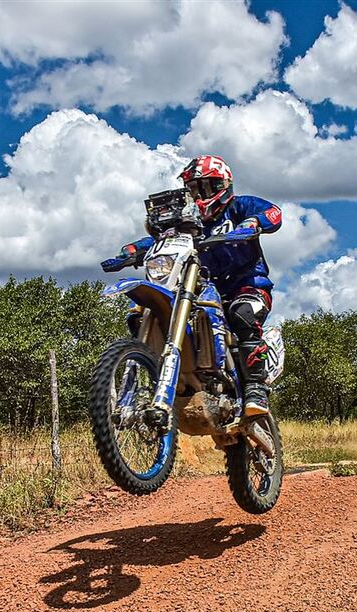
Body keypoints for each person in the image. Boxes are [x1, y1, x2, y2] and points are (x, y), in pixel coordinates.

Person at [107, 155, 282, 417]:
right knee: (141, 312)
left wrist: (254, 223)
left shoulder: (241, 206)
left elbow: (273, 212)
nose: (201, 195)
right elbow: (164, 239)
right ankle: (153, 378)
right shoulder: (188, 223)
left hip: (245, 284)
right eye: (194, 189)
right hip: (198, 288)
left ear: (224, 185)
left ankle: (255, 388)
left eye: (207, 187)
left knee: (242, 313)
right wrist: (133, 249)